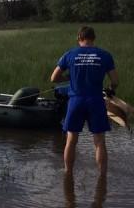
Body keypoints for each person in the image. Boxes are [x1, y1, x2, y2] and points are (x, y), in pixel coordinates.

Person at [50, 26, 119, 176]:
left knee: (71, 140)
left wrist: (68, 78)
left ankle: (68, 174)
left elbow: (53, 78)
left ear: (79, 38)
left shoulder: (70, 54)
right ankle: (102, 177)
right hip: (96, 101)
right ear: (93, 38)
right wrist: (111, 88)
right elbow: (115, 80)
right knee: (99, 142)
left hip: (76, 101)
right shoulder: (105, 55)